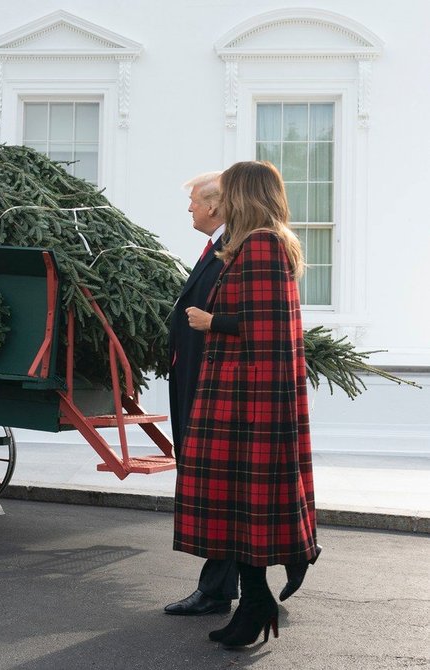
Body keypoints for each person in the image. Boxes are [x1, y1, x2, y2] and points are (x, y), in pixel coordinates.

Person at [176, 160, 319, 648]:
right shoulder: (260, 243)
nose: (223, 201)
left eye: (230, 192)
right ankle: (256, 603)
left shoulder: (261, 244)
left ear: (245, 195)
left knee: (241, 499)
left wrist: (211, 322)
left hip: (246, 394)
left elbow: (268, 328)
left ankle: (258, 600)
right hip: (244, 388)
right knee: (239, 503)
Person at [163, 172, 238, 617]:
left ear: (214, 205)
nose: (189, 209)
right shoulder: (218, 246)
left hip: (211, 384)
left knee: (216, 485)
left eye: (193, 201)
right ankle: (284, 556)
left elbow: (236, 318)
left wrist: (209, 323)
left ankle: (215, 591)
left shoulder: (236, 249)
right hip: (195, 376)